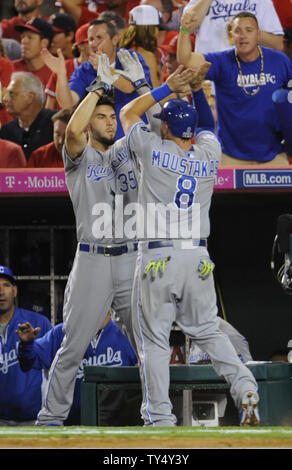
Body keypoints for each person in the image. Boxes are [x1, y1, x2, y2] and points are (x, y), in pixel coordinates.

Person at [119, 64, 260, 427]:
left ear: (165, 127)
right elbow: (209, 126)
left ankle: (160, 419)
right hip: (198, 258)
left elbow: (129, 112)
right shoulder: (209, 152)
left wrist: (164, 88)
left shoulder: (151, 147)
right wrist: (197, 90)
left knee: (154, 342)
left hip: (158, 258)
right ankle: (246, 388)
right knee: (210, 331)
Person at [34, 49, 163, 426]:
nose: (109, 122)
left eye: (112, 116)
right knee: (72, 347)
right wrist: (101, 87)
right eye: (102, 117)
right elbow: (73, 130)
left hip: (130, 258)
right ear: (92, 123)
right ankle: (50, 420)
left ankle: (157, 417)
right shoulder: (78, 157)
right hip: (91, 258)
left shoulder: (128, 151)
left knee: (148, 344)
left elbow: (160, 131)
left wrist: (142, 85)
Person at [177, 11, 292, 165]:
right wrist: (184, 31)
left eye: (248, 30)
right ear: (232, 36)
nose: (243, 35)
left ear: (258, 36)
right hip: (230, 157)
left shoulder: (280, 61)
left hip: (274, 155)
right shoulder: (222, 61)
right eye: (238, 31)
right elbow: (186, 59)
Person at [16, 311, 138, 425]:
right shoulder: (63, 332)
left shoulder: (124, 332)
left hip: (116, 423)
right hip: (71, 423)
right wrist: (27, 345)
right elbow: (29, 362)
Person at [41, 19, 153, 139]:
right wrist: (61, 75)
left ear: (115, 39)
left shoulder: (131, 58)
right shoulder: (85, 70)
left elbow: (130, 86)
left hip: (137, 138)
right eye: (91, 39)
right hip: (103, 144)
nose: (94, 43)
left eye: (99, 38)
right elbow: (67, 103)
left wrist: (105, 69)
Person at [0, 265, 52, 426]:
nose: (0, 291)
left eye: (6, 285)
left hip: (34, 418)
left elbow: (55, 369)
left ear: (15, 291)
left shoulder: (38, 322)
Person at [182, 0, 284, 53]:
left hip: (247, 77)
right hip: (210, 76)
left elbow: (278, 44)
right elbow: (186, 28)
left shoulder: (260, 1)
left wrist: (248, 31)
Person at [0, 72, 56, 162]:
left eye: (12, 94)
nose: (5, 99)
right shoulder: (6, 131)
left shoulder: (56, 123)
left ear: (30, 97)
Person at [45, 22, 90, 110]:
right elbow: (49, 105)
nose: (96, 44)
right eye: (91, 41)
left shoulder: (104, 67)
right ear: (81, 46)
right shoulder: (64, 67)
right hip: (64, 120)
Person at [119, 4, 164, 88]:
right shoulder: (146, 56)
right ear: (147, 27)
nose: (158, 31)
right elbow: (155, 96)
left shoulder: (120, 49)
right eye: (156, 27)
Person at [12, 17, 55, 88]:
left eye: (30, 37)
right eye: (22, 37)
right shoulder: (11, 68)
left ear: (44, 43)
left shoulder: (54, 74)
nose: (24, 41)